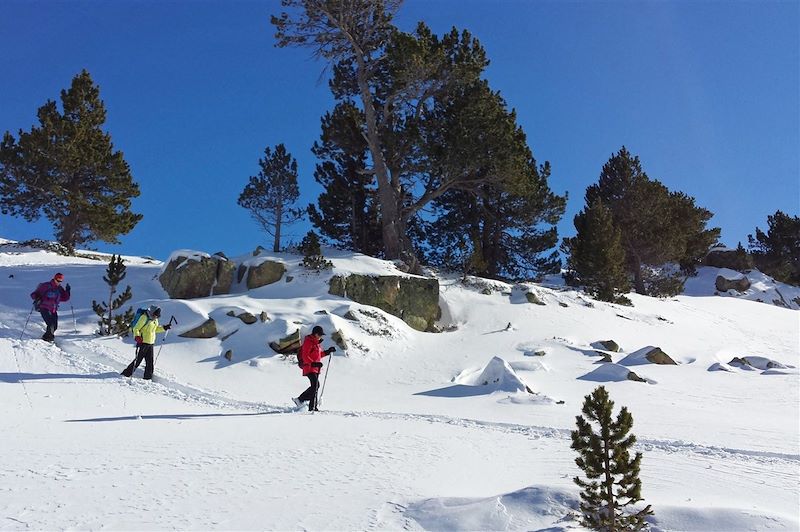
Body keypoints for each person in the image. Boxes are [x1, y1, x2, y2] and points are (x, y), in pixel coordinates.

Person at [121, 305, 171, 380]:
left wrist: (164, 328)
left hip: (150, 343)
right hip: (143, 342)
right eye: (155, 315)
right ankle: (126, 374)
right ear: (152, 312)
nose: (156, 317)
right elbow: (136, 328)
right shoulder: (144, 317)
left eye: (157, 316)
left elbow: (155, 330)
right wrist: (137, 337)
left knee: (150, 361)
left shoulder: (155, 320)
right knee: (138, 360)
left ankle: (148, 377)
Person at [292, 325, 335, 411]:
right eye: (319, 334)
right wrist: (313, 363)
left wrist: (327, 351)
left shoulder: (317, 344)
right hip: (309, 367)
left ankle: (312, 407)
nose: (320, 336)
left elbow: (319, 355)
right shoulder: (309, 342)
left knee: (315, 386)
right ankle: (301, 399)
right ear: (315, 334)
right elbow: (305, 356)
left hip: (315, 368)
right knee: (316, 385)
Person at [30, 272, 71, 342]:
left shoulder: (59, 289)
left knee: (55, 326)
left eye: (60, 281)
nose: (59, 282)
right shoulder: (45, 286)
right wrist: (37, 297)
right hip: (44, 307)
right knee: (50, 324)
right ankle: (48, 339)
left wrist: (68, 291)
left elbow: (65, 298)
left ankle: (46, 337)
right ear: (54, 278)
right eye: (58, 280)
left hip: (53, 309)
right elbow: (33, 294)